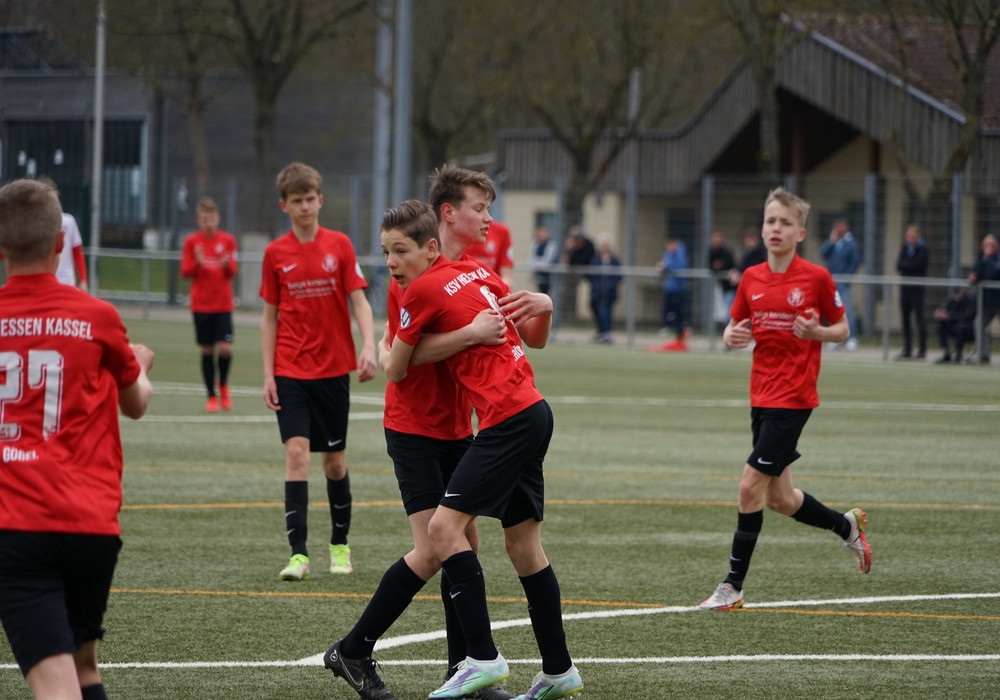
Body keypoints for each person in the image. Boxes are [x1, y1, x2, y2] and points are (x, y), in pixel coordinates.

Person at [326, 167, 555, 700]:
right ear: (449, 215)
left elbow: (520, 339)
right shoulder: (410, 274)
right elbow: (398, 359)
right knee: (434, 547)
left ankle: (464, 669)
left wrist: (541, 307)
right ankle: (354, 650)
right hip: (413, 427)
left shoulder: (473, 270)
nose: (489, 218)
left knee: (462, 542)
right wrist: (470, 333)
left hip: (459, 425)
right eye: (480, 207)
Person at [380, 199, 583, 700]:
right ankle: (559, 670)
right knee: (523, 546)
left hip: (506, 419)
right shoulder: (477, 273)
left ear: (430, 245)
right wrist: (537, 309)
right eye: (386, 252)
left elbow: (396, 367)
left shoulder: (422, 287)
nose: (390, 262)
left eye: (398, 251)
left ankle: (482, 659)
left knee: (443, 529)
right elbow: (525, 339)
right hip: (534, 410)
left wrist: (542, 306)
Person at [0, 178, 154, 700]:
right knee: (84, 665)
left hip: (17, 524)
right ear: (61, 241)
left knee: (54, 682)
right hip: (90, 526)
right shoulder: (97, 316)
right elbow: (136, 404)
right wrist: (142, 365)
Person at [700, 186, 871, 612]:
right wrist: (730, 335)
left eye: (785, 222)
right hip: (760, 395)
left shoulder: (816, 278)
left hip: (794, 399)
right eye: (770, 221)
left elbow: (843, 329)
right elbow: (734, 326)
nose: (776, 228)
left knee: (748, 488)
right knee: (780, 498)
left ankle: (733, 587)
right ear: (762, 229)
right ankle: (846, 527)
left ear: (800, 233)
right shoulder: (751, 278)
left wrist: (818, 332)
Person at [260, 162, 377, 581]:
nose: (305, 206)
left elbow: (359, 301)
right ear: (284, 206)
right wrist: (268, 374)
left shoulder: (339, 246)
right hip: (290, 370)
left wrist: (368, 345)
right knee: (296, 455)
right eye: (297, 201)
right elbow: (269, 318)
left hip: (332, 372)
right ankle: (298, 555)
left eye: (310, 199)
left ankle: (339, 545)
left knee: (333, 463)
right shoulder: (275, 254)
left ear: (320, 200)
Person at [181, 196, 239, 412]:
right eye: (204, 220)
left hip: (223, 305)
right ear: (198, 220)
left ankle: (223, 384)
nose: (209, 224)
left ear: (218, 219)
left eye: (212, 219)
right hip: (201, 305)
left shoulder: (228, 240)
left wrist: (226, 265)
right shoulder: (192, 242)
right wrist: (197, 261)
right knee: (207, 350)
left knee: (225, 348)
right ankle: (211, 396)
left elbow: (233, 272)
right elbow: (185, 272)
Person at [38, 176, 88, 292]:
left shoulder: (68, 221)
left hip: (66, 281)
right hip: (44, 282)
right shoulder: (35, 223)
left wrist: (83, 280)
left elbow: (77, 251)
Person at [819, 218, 860, 351]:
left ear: (845, 228)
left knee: (847, 309)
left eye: (840, 227)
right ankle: (836, 339)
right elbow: (822, 254)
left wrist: (847, 277)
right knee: (833, 310)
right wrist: (831, 241)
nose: (838, 230)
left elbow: (855, 262)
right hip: (831, 280)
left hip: (843, 281)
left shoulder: (851, 243)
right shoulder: (834, 241)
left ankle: (852, 337)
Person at [895, 223, 929, 361]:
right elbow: (899, 265)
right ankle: (907, 349)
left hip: (917, 289)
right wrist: (908, 266)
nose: (911, 238)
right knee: (906, 320)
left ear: (917, 236)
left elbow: (917, 265)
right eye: (909, 235)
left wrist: (907, 266)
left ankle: (922, 350)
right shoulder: (905, 248)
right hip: (905, 289)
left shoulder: (923, 249)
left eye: (913, 235)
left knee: (919, 319)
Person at [968, 233, 1000, 365]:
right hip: (987, 302)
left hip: (998, 299)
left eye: (991, 245)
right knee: (979, 324)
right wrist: (974, 276)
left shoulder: (997, 259)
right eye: (986, 245)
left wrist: (987, 260)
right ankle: (984, 355)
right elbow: (975, 273)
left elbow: (993, 273)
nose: (988, 247)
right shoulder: (981, 259)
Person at [654, 234, 689, 351]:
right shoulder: (667, 253)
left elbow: (680, 267)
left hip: (678, 289)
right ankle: (681, 331)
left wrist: (666, 267)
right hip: (669, 288)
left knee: (676, 313)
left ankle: (682, 331)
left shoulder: (680, 252)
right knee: (666, 313)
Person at [587, 234, 622, 343]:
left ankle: (607, 332)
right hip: (597, 292)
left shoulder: (614, 260)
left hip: (610, 292)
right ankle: (602, 332)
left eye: (606, 245)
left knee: (606, 312)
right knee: (598, 311)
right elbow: (591, 275)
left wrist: (611, 285)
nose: (604, 247)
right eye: (602, 245)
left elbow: (619, 275)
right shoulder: (595, 259)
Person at [933, 285, 976, 364]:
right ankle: (946, 352)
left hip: (968, 328)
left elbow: (967, 316)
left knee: (960, 328)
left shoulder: (970, 300)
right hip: (953, 325)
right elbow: (946, 311)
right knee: (940, 326)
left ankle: (958, 355)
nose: (957, 293)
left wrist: (949, 317)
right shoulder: (951, 299)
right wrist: (940, 314)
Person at [465, 220, 514, 284]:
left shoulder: (501, 231)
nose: (489, 218)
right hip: (466, 286)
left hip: (493, 287)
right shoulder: (460, 231)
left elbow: (506, 276)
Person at [708, 230, 736, 326]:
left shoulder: (727, 251)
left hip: (729, 285)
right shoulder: (711, 251)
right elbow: (709, 265)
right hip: (718, 285)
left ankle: (728, 325)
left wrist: (720, 266)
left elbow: (729, 264)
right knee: (720, 308)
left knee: (729, 307)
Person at [530, 225, 558, 295]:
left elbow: (548, 260)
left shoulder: (551, 245)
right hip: (538, 274)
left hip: (548, 275)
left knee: (548, 293)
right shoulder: (535, 244)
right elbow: (532, 258)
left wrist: (541, 265)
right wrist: (537, 266)